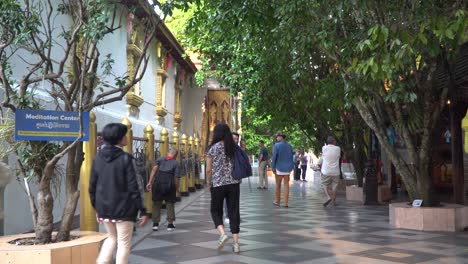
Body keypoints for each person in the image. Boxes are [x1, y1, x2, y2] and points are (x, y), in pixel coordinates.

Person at [90, 123, 148, 264]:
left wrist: (97, 207)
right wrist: (143, 210)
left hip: (104, 208)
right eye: (125, 135)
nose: (127, 137)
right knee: (123, 243)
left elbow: (92, 186)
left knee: (111, 238)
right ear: (120, 139)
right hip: (124, 209)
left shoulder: (98, 158)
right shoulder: (126, 159)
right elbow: (135, 186)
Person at [206, 123, 241, 253]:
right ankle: (236, 244)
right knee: (233, 212)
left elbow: (209, 170)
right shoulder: (234, 147)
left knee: (215, 210)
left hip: (218, 184)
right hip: (233, 183)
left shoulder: (212, 148)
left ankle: (222, 234)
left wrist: (209, 183)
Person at [146, 148, 180, 231]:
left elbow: (154, 170)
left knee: (156, 204)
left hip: (157, 184)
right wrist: (177, 189)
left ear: (167, 152)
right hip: (170, 185)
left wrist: (150, 182)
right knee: (170, 204)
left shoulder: (160, 159)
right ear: (176, 155)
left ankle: (155, 224)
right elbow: (176, 178)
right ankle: (170, 224)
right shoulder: (176, 163)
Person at [271, 132, 294, 208]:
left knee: (278, 185)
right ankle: (285, 203)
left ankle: (277, 201)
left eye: (277, 136)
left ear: (281, 137)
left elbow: (274, 157)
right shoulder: (290, 146)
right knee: (286, 185)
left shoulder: (276, 145)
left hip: (279, 167)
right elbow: (291, 157)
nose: (277, 138)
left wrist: (273, 167)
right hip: (288, 168)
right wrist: (291, 167)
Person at [321, 136, 341, 207]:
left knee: (324, 184)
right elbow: (338, 156)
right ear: (333, 141)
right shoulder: (338, 148)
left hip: (326, 170)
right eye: (335, 141)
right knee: (335, 186)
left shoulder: (324, 148)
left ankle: (328, 197)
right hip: (336, 171)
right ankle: (334, 201)